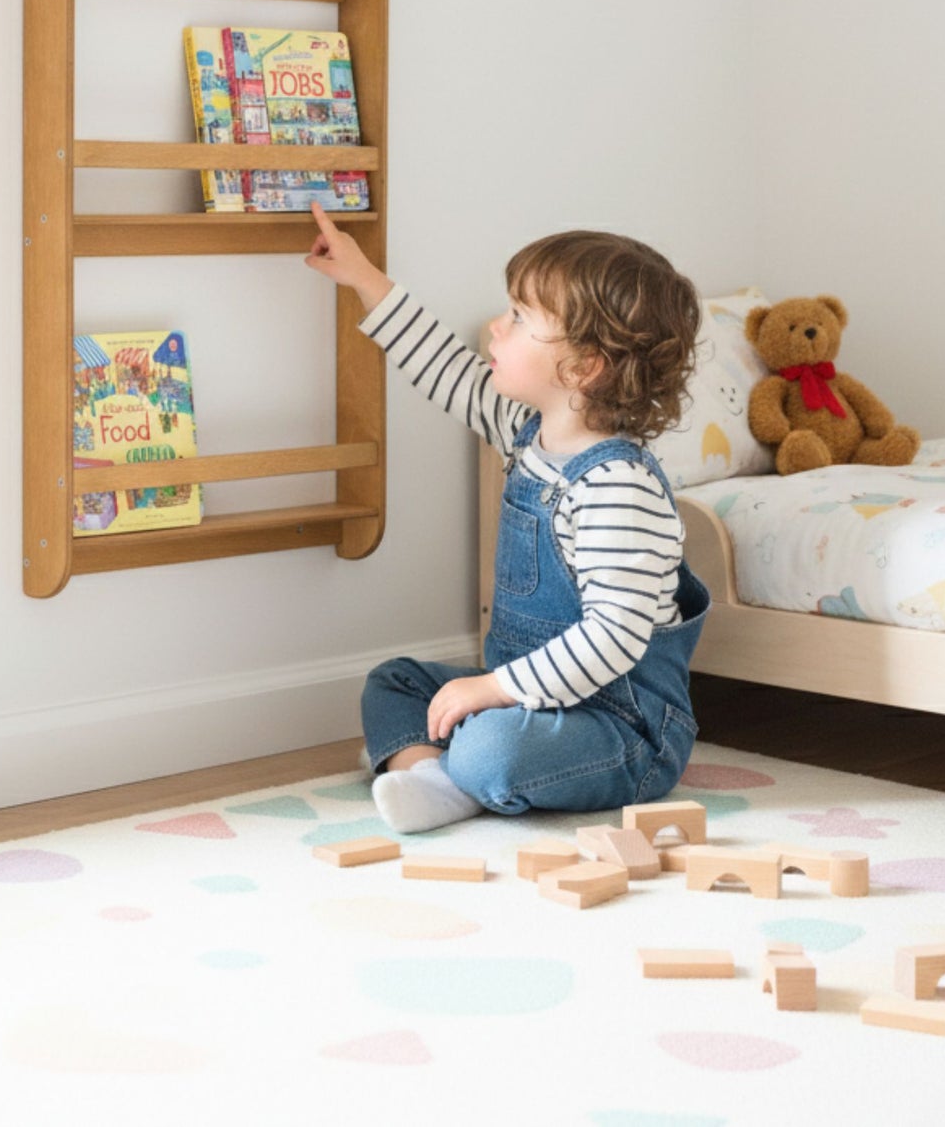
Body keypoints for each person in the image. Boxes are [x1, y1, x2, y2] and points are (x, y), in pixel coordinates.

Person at [304, 203, 710, 834]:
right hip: (526, 696)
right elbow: (442, 368)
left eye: (520, 318)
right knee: (396, 683)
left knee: (493, 747)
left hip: (621, 728)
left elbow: (615, 636)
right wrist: (363, 276)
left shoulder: (617, 486)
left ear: (581, 368)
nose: (496, 326)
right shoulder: (529, 434)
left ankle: (460, 773)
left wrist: (491, 691)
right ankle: (433, 780)